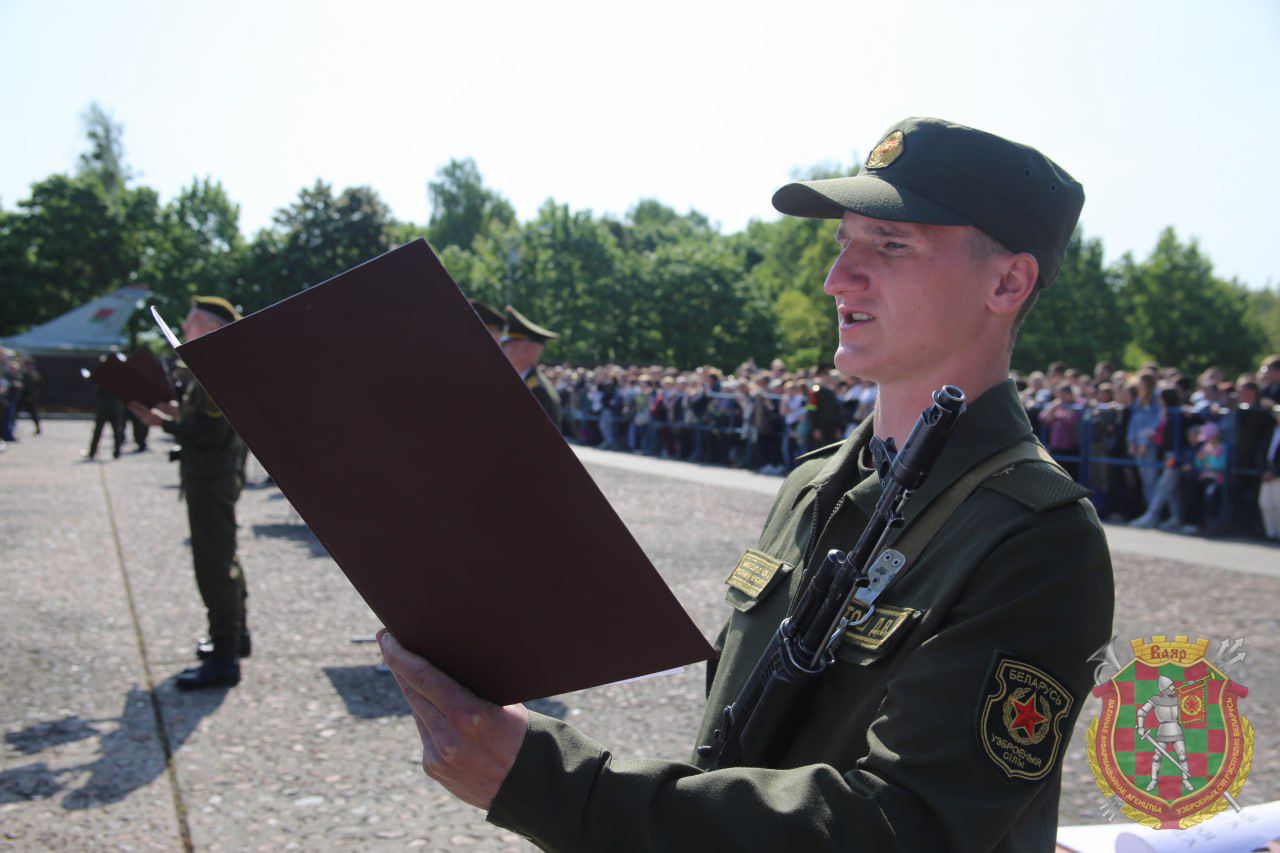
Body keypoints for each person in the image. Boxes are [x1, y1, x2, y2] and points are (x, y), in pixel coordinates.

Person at [378, 117, 1114, 851]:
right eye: (844, 243)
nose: (837, 279)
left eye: (891, 245)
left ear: (1007, 281)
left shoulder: (1035, 537)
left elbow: (905, 827)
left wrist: (555, 784)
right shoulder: (814, 484)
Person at [130, 296, 249, 690]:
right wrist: (176, 413)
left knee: (214, 565)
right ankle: (235, 637)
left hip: (211, 477)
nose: (183, 327)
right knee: (223, 557)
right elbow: (205, 422)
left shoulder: (215, 368)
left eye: (192, 320)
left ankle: (224, 657)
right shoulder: (213, 366)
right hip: (212, 475)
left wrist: (162, 423)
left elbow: (210, 434)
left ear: (213, 328)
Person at [501, 305, 562, 429]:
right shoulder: (528, 383)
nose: (504, 350)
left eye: (508, 345)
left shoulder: (537, 390)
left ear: (527, 349)